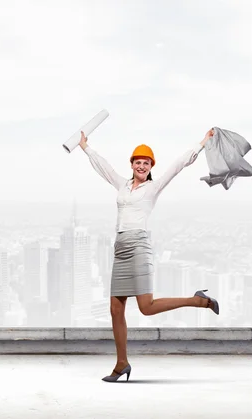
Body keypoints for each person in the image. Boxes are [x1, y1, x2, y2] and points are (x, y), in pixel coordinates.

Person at [78, 128, 219, 383]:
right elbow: (103, 167)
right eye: (137, 162)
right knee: (115, 308)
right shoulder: (121, 185)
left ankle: (198, 301)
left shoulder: (153, 188)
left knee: (146, 307)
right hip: (120, 248)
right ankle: (121, 363)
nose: (141, 165)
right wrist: (85, 147)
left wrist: (202, 143)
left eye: (146, 162)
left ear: (150, 166)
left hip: (139, 247)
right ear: (131, 165)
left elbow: (178, 165)